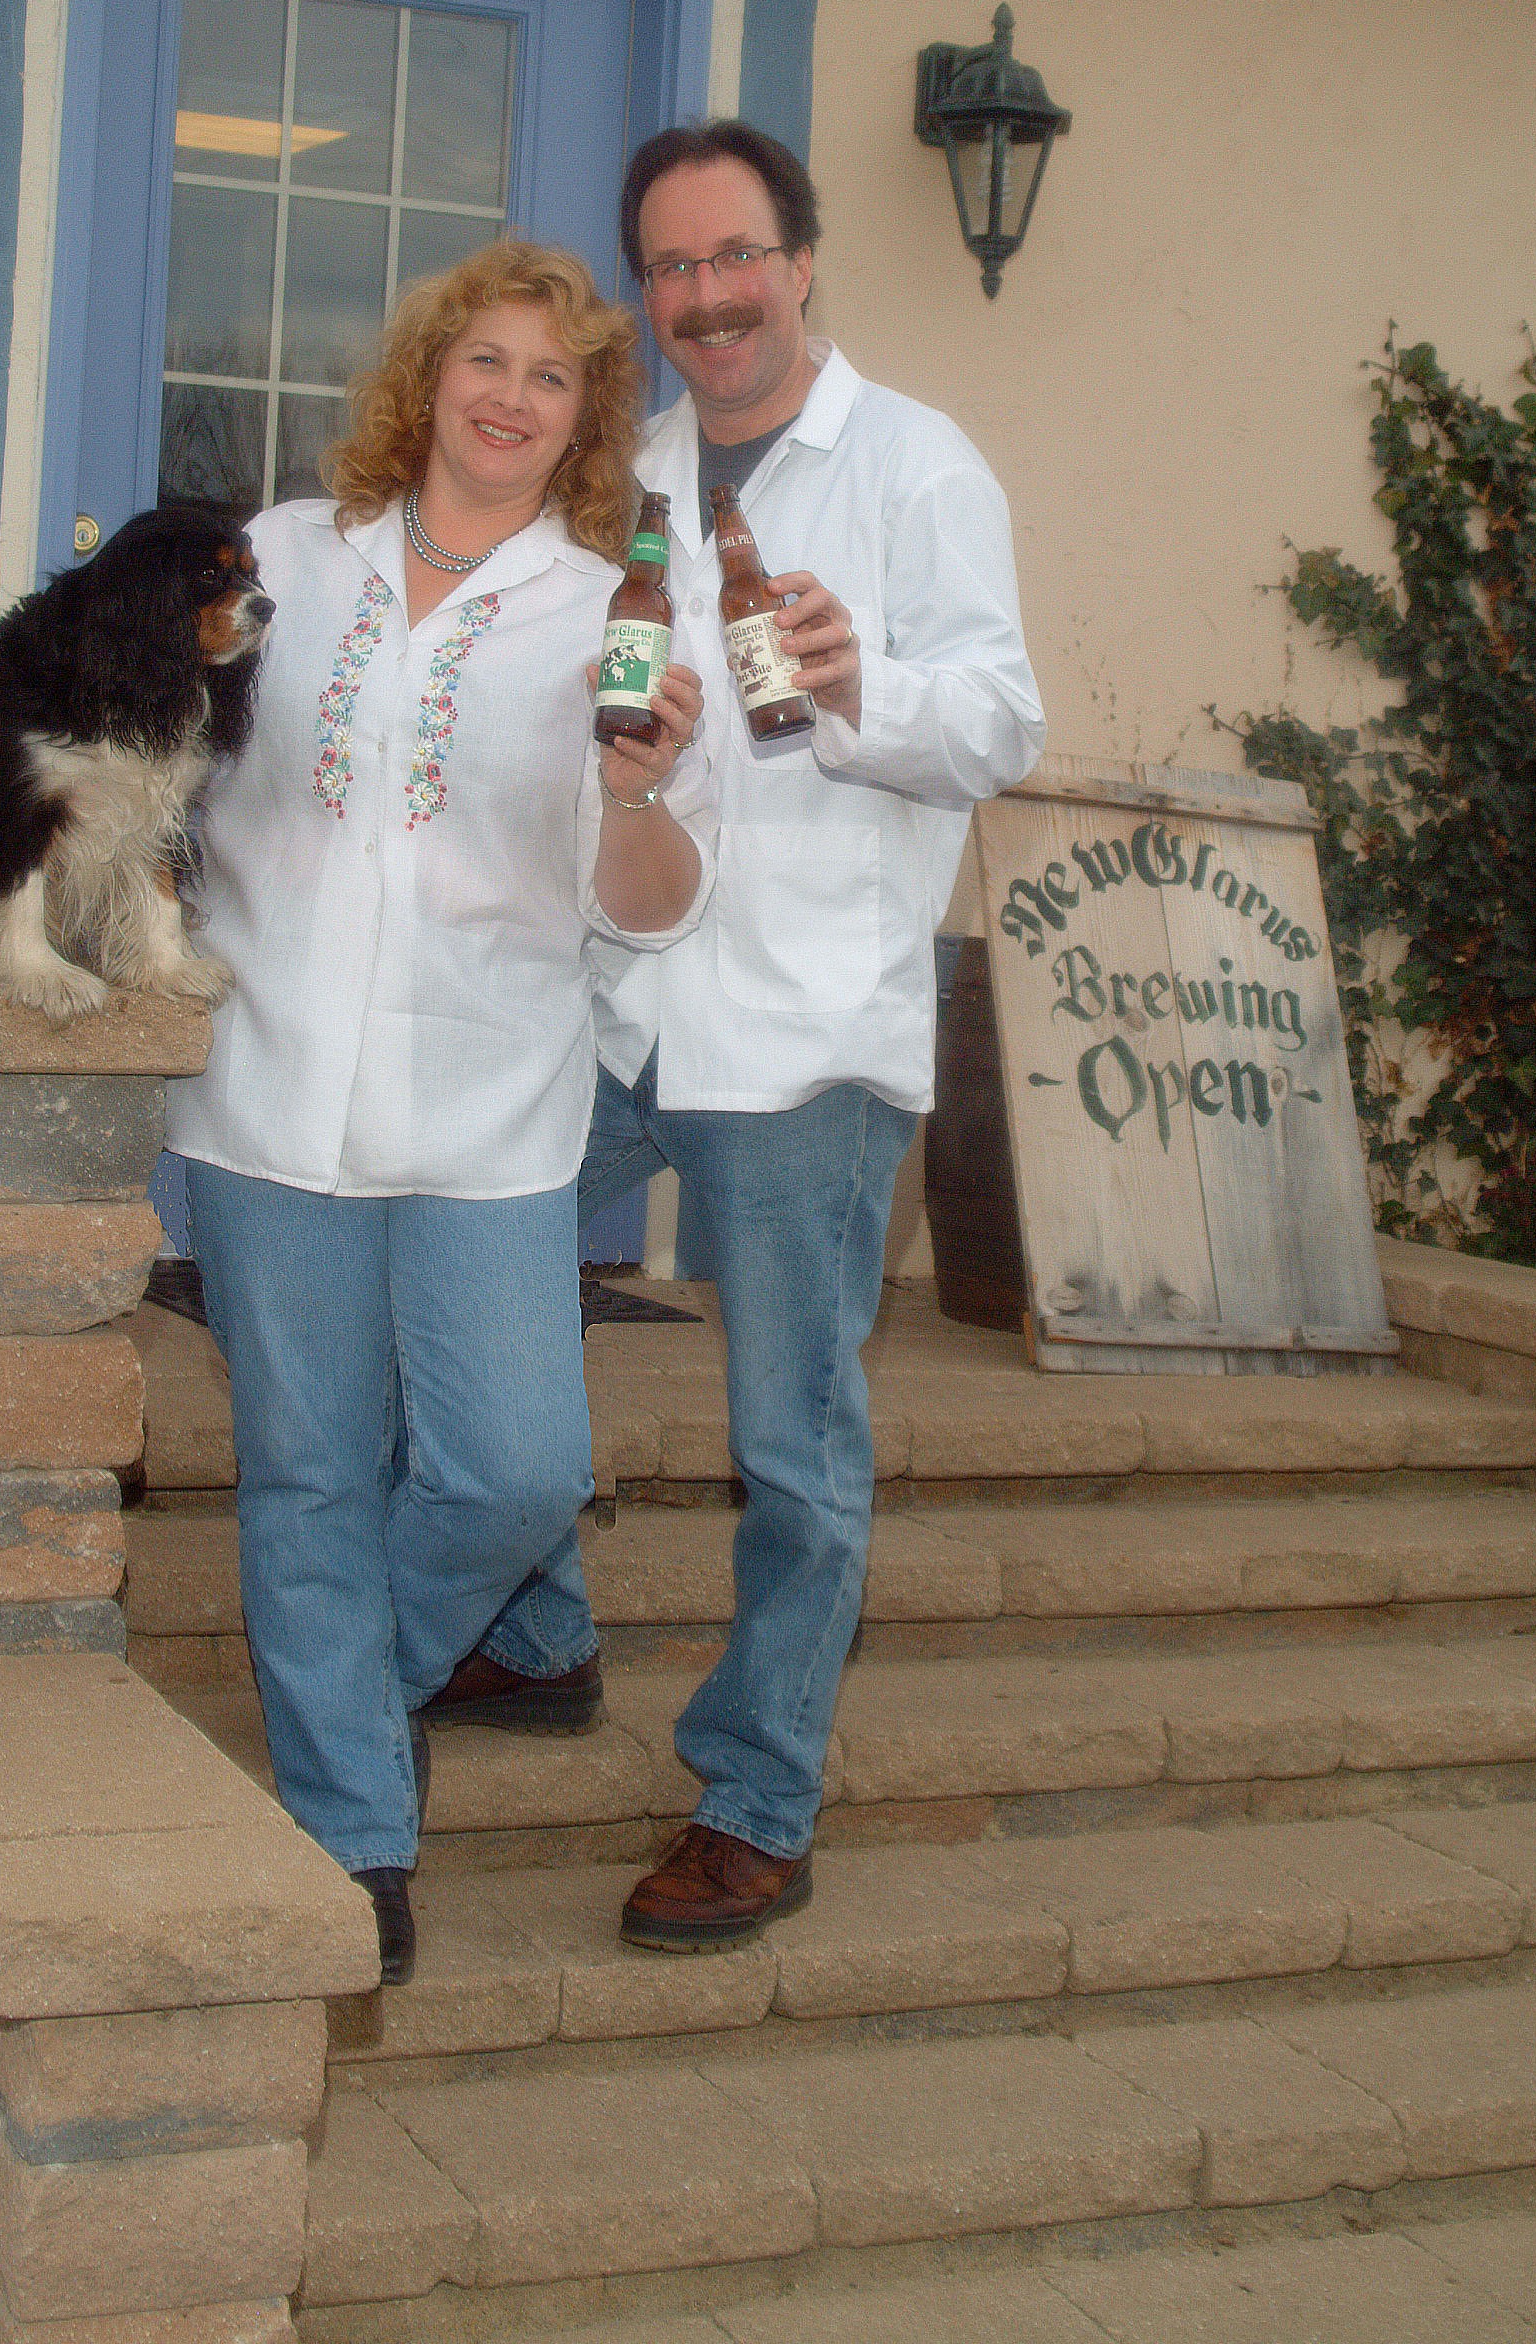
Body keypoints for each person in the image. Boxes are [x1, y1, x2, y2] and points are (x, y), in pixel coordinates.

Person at [0, 240, 712, 1985]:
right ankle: (350, 1831)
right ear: (428, 379)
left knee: (514, 1468)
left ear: (584, 419)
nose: (509, 397)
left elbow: (645, 902)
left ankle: (356, 1675)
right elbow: (95, 694)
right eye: (485, 360)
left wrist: (638, 795)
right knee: (308, 1478)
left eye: (551, 378)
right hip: (265, 1100)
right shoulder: (284, 560)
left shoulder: (612, 611)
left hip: (489, 1106)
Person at [426, 124, 1045, 1953]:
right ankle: (534, 1629)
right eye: (673, 269)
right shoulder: (643, 475)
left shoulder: (920, 466)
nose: (705, 298)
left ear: (803, 261)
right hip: (629, 999)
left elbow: (999, 719)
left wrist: (866, 688)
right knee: (483, 1275)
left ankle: (760, 1795)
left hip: (806, 1031)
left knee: (794, 1437)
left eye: (735, 258)